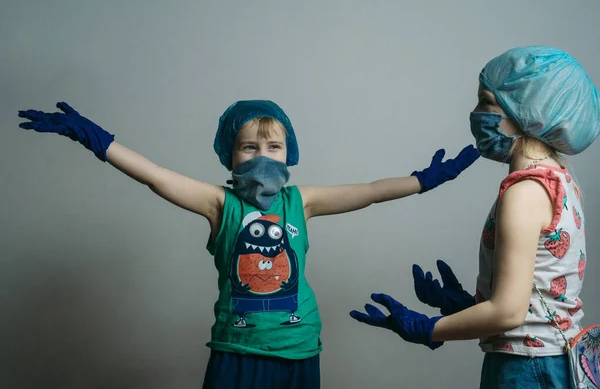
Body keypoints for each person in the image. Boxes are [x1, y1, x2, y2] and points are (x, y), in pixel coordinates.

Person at [17, 99, 478, 388]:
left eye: (274, 147)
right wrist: (96, 140)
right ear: (229, 154)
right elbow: (155, 176)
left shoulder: (303, 201)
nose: (262, 157)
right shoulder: (220, 204)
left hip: (300, 350)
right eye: (249, 148)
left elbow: (373, 190)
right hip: (238, 353)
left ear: (290, 154)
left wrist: (424, 180)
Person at [350, 46, 600, 388]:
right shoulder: (558, 179)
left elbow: (508, 313)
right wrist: (468, 305)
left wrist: (427, 327)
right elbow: (533, 297)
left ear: (527, 111)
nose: (475, 112)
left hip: (526, 368)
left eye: (485, 102)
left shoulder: (523, 192)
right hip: (548, 362)